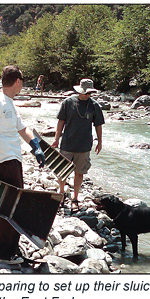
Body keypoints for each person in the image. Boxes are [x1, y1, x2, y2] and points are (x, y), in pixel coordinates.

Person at [0, 65, 45, 264]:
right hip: (3, 160)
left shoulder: (9, 103)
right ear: (18, 81)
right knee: (11, 205)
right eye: (22, 82)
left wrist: (36, 146)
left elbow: (23, 129)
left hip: (11, 159)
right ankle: (6, 253)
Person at [51, 78, 105, 211]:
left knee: (79, 172)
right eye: (85, 92)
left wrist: (100, 141)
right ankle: (62, 193)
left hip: (84, 145)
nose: (86, 95)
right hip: (67, 143)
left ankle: (75, 198)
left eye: (89, 93)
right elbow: (60, 122)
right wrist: (56, 138)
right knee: (61, 171)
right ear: (79, 91)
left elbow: (98, 124)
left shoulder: (94, 105)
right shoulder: (68, 102)